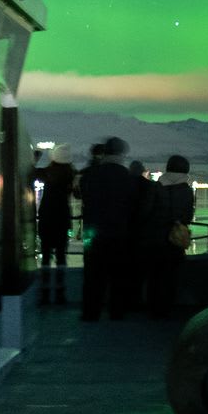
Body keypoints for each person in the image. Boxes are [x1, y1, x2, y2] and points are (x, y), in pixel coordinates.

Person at [75, 136, 138, 321]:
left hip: (93, 233)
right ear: (122, 153)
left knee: (93, 275)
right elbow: (133, 206)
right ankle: (116, 312)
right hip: (119, 233)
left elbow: (84, 198)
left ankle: (90, 313)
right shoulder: (127, 177)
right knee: (118, 276)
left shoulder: (92, 174)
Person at [151, 154, 197, 318]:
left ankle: (155, 309)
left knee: (155, 275)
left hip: (156, 238)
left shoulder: (157, 187)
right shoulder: (186, 191)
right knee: (171, 275)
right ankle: (167, 309)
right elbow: (188, 216)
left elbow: (150, 212)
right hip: (175, 240)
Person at [33, 144, 76, 305]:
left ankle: (44, 293)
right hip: (63, 219)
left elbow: (32, 172)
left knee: (45, 256)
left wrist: (35, 157)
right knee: (61, 257)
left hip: (46, 219)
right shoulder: (70, 174)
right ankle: (60, 293)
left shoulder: (47, 173)